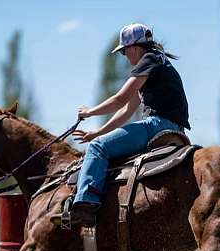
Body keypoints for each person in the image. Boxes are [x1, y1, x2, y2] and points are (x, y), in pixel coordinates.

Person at [51, 23, 190, 228]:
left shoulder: (147, 60)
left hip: (158, 125)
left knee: (97, 148)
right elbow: (125, 111)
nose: (125, 56)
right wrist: (97, 132)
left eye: (124, 51)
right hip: (175, 129)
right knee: (98, 142)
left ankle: (85, 204)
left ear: (134, 47)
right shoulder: (157, 62)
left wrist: (89, 112)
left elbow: (119, 99)